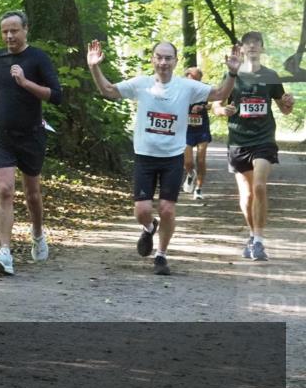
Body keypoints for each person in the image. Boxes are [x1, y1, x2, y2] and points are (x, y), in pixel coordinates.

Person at [87, 40, 240, 275]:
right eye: (159, 57)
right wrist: (94, 67)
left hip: (172, 157)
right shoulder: (141, 84)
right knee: (142, 211)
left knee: (167, 209)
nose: (163, 62)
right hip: (145, 156)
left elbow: (220, 93)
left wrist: (232, 73)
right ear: (152, 59)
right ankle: (149, 228)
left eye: (168, 58)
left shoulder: (186, 87)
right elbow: (108, 90)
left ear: (176, 61)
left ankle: (161, 255)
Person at [0, 10, 63, 276]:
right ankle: (5, 252)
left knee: (32, 194)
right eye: (5, 31)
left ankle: (37, 233)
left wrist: (25, 83)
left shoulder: (37, 58)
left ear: (25, 30)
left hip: (31, 135)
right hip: (2, 135)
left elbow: (56, 95)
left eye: (14, 30)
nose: (9, 36)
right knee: (4, 190)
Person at [211, 31, 295, 261]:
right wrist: (223, 110)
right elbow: (216, 105)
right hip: (238, 140)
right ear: (242, 48)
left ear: (262, 48)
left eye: (257, 43)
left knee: (259, 186)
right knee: (247, 195)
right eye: (248, 44)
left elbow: (284, 108)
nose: (252, 47)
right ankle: (251, 235)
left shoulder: (271, 75)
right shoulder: (232, 74)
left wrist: (289, 103)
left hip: (264, 139)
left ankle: (258, 240)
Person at [181, 67, 212, 200]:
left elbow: (211, 104)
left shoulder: (205, 89)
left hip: (202, 128)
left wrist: (202, 107)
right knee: (188, 162)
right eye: (191, 78)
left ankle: (198, 189)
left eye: (196, 79)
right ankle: (190, 174)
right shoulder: (180, 89)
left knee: (201, 160)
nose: (193, 81)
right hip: (186, 129)